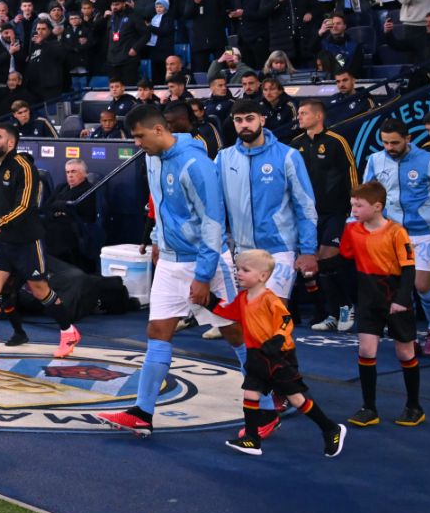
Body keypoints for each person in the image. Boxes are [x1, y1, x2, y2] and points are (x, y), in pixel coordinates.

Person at [98, 105, 238, 437]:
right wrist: (158, 239)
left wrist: (203, 275)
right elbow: (161, 206)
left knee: (236, 333)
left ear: (159, 130)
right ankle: (142, 414)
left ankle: (265, 402)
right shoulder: (152, 158)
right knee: (158, 333)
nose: (136, 143)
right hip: (172, 261)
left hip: (208, 262)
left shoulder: (196, 164)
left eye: (139, 136)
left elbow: (213, 223)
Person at [0, 123, 80, 360]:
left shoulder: (24, 166)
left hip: (27, 240)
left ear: (11, 142)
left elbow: (26, 206)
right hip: (4, 240)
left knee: (40, 290)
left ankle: (69, 331)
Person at [216, 250, 346, 458]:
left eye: (245, 270)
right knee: (250, 394)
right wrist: (208, 302)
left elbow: (286, 320)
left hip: (278, 357)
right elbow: (228, 312)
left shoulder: (269, 299)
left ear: (263, 276)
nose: (238, 273)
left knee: (296, 398)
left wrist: (276, 339)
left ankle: (330, 428)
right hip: (256, 356)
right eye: (237, 269)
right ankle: (252, 438)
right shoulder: (242, 298)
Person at [218, 100, 318, 337]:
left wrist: (308, 250)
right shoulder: (223, 159)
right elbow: (214, 209)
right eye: (238, 120)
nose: (244, 125)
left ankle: (282, 371)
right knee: (246, 326)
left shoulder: (288, 156)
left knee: (270, 318)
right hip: (242, 251)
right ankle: (262, 372)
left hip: (279, 250)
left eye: (250, 118)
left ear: (262, 119)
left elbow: (306, 206)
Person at [339, 181, 424, 429]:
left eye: (359, 205)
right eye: (352, 205)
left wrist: (401, 300)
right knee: (366, 351)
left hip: (395, 298)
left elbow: (409, 269)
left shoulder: (397, 232)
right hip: (368, 299)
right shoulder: (352, 231)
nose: (354, 210)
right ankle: (369, 407)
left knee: (405, 353)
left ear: (377, 207)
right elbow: (345, 262)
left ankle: (414, 406)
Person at [361, 119, 430, 355]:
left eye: (395, 142)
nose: (389, 147)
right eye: (385, 142)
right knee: (400, 289)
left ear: (408, 139)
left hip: (425, 231)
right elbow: (367, 194)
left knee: (421, 284)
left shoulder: (429, 161)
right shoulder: (376, 160)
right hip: (393, 232)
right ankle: (409, 334)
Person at [293, 100, 359, 331]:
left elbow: (351, 171)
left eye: (304, 113)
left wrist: (354, 207)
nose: (299, 117)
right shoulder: (296, 144)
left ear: (319, 116)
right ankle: (330, 313)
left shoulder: (336, 141)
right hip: (307, 214)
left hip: (335, 211)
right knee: (312, 266)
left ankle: (346, 306)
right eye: (299, 113)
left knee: (328, 258)